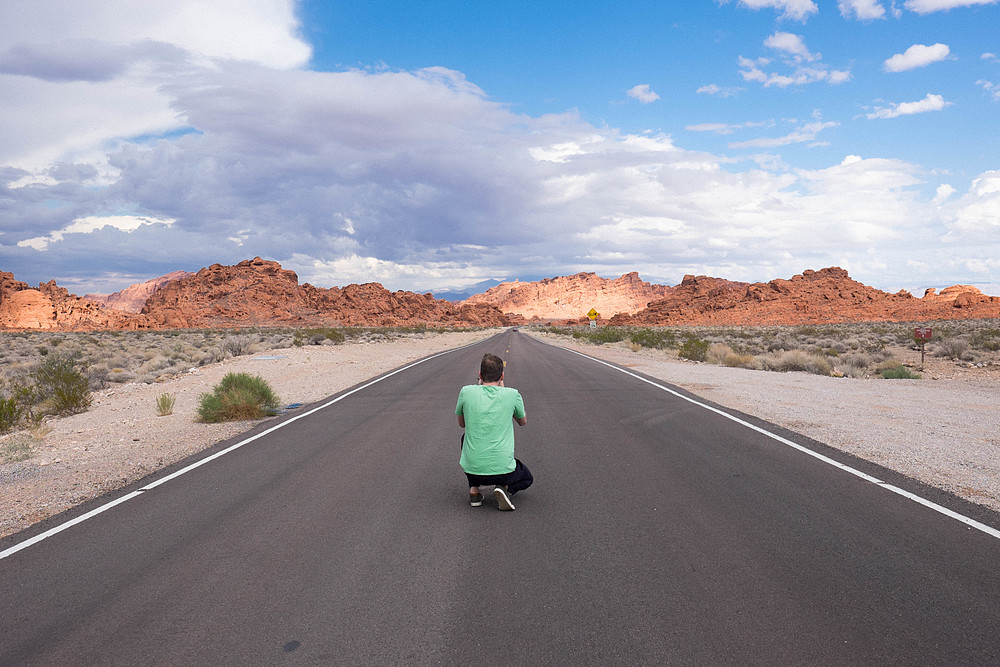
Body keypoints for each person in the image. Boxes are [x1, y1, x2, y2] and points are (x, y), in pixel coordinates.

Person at [455, 353, 532, 510]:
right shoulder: (512, 394)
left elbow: (462, 424)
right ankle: (504, 488)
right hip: (503, 470)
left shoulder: (466, 392)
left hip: (473, 470)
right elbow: (523, 422)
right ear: (502, 376)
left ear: (480, 375)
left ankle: (474, 491)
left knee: (466, 438)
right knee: (527, 477)